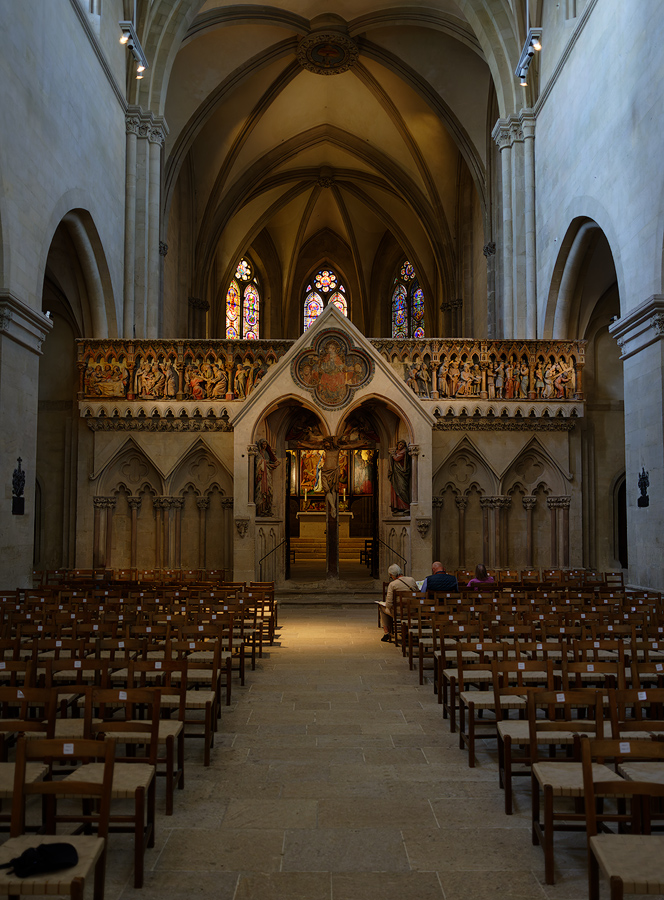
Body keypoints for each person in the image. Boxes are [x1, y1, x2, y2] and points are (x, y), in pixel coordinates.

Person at [380, 564, 417, 642]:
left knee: (382, 609)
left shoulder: (393, 584)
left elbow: (389, 603)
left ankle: (387, 632)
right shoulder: (411, 580)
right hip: (413, 611)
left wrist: (386, 605)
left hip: (399, 612)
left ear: (392, 575)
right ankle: (406, 632)